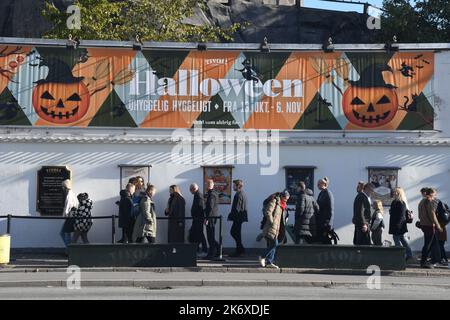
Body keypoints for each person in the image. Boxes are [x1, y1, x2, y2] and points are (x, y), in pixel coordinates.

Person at [259, 190, 290, 269]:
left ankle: (269, 262)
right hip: (271, 227)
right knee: (274, 244)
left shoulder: (283, 205)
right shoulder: (275, 201)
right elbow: (268, 212)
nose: (286, 200)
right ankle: (262, 257)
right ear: (282, 196)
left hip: (277, 228)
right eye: (285, 199)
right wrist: (272, 222)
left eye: (287, 199)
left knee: (273, 245)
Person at [418, 188, 443, 268]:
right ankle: (423, 262)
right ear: (431, 194)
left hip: (424, 225)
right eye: (434, 194)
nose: (435, 196)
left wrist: (423, 221)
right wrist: (438, 226)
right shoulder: (429, 201)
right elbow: (432, 215)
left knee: (433, 243)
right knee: (428, 244)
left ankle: (436, 260)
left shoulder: (422, 201)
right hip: (430, 225)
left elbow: (419, 215)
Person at [389, 187, 413, 261]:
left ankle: (400, 256)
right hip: (395, 224)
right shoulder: (394, 202)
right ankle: (409, 254)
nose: (394, 193)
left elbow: (402, 216)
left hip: (399, 226)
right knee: (403, 240)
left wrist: (398, 225)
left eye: (395, 192)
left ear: (399, 193)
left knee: (397, 239)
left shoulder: (401, 203)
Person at [228, 179, 248, 257]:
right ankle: (240, 249)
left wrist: (231, 215)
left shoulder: (239, 194)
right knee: (236, 233)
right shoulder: (242, 193)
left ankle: (239, 250)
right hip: (240, 218)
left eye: (234, 185)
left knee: (234, 232)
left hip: (238, 218)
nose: (233, 187)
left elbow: (237, 208)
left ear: (238, 186)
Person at [189, 183, 208, 257]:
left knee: (200, 234)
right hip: (197, 218)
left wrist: (203, 218)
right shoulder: (197, 195)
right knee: (196, 234)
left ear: (193, 189)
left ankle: (204, 250)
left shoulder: (198, 195)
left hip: (198, 219)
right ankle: (197, 249)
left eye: (190, 190)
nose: (190, 192)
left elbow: (201, 207)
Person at [60, 179, 78, 248]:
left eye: (63, 186)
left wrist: (64, 215)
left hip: (70, 216)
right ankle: (70, 249)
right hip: (71, 216)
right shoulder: (70, 194)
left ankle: (69, 250)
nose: (62, 188)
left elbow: (67, 206)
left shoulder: (69, 195)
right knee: (66, 234)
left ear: (65, 187)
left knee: (65, 233)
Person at [205, 179, 220, 258]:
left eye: (207, 184)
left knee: (210, 236)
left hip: (211, 217)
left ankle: (211, 253)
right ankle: (218, 249)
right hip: (212, 217)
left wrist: (207, 218)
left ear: (208, 185)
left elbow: (210, 207)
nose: (206, 186)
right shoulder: (214, 193)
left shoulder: (211, 194)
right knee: (211, 235)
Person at [316, 177, 334, 244]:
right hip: (320, 222)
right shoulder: (321, 193)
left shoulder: (328, 194)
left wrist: (329, 223)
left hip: (325, 223)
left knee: (325, 241)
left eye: (319, 184)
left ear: (324, 184)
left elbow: (330, 209)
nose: (317, 185)